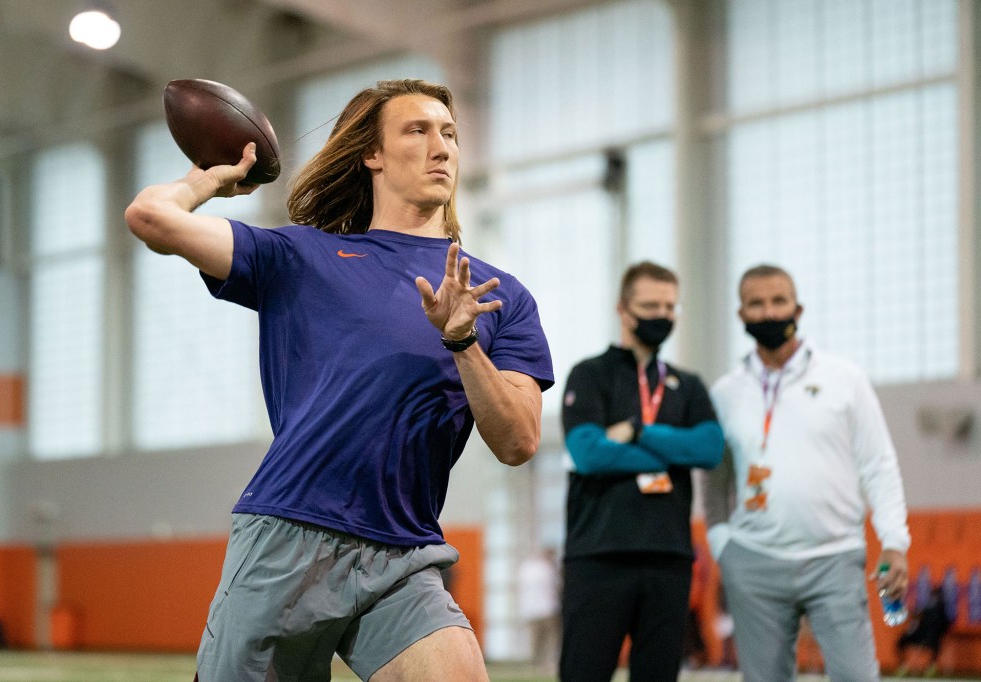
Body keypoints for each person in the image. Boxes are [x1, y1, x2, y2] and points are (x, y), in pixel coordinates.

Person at [125, 79, 554, 682]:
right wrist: (210, 180)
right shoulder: (300, 257)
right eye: (418, 130)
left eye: (450, 134)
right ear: (371, 155)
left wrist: (461, 343)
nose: (442, 148)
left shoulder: (496, 297)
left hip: (403, 552)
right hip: (288, 539)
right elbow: (150, 216)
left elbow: (518, 442)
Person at [703, 264, 911, 682]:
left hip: (833, 558)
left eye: (778, 301)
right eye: (756, 304)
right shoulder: (726, 392)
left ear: (798, 308)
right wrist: (722, 543)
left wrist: (894, 540)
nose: (769, 312)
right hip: (754, 564)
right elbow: (715, 478)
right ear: (741, 315)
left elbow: (878, 463)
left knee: (857, 676)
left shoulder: (844, 379)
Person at [559, 261, 724, 682]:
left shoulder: (687, 385)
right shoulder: (590, 374)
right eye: (650, 305)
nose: (661, 316)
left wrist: (636, 431)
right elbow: (588, 454)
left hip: (668, 558)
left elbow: (708, 449)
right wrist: (672, 451)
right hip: (599, 555)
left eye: (670, 306)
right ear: (623, 308)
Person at [516, 547, 562, 674]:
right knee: (540, 638)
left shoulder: (546, 568)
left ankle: (547, 663)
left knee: (549, 639)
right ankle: (539, 663)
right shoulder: (543, 568)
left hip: (545, 609)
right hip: (541, 608)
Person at [894, 585, 952, 677]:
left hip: (930, 638)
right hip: (923, 636)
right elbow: (918, 617)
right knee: (901, 642)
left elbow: (944, 626)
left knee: (935, 644)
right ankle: (905, 666)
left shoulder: (940, 611)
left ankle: (928, 667)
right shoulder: (928, 608)